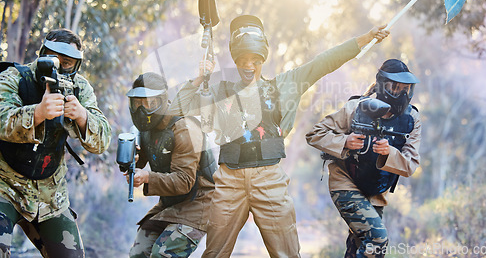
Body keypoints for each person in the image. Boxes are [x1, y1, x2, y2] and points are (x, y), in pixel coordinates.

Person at [169, 14, 389, 258]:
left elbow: (323, 62)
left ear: (263, 58)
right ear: (235, 59)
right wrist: (200, 77)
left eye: (255, 59)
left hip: (269, 180)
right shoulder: (220, 91)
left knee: (287, 254)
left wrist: (364, 38)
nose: (249, 65)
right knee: (214, 253)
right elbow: (176, 110)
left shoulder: (282, 86)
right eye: (243, 59)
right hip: (228, 181)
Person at [0, 29, 111, 257]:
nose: (59, 68)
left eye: (67, 63)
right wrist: (38, 113)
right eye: (52, 60)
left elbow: (102, 141)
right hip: (4, 186)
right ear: (41, 54)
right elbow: (1, 119)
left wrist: (81, 116)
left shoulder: (79, 89)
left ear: (76, 65)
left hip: (50, 196)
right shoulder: (14, 77)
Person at [305, 59, 422, 258]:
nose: (402, 94)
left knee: (359, 249)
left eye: (406, 89)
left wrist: (389, 152)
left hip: (376, 191)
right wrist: (345, 142)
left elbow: (410, 165)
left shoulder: (412, 119)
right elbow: (315, 134)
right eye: (396, 87)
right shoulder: (356, 108)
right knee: (377, 240)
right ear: (383, 85)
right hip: (346, 183)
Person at [125, 72, 216, 258]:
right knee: (138, 253)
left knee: (163, 254)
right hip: (170, 203)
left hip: (198, 202)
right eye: (137, 104)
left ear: (162, 101)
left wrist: (147, 177)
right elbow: (142, 160)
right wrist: (131, 163)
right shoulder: (147, 129)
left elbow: (184, 181)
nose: (143, 110)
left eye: (149, 103)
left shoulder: (185, 129)